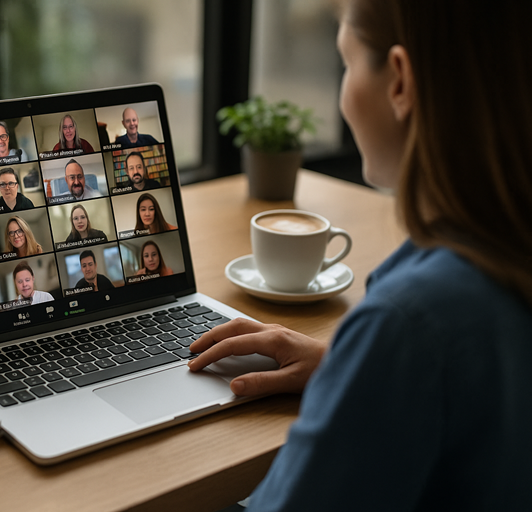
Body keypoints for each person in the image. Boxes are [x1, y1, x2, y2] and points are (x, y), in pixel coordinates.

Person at [188, 1, 532, 510]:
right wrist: (348, 367)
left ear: (399, 81)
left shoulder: (410, 323)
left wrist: (381, 359)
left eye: (347, 63)